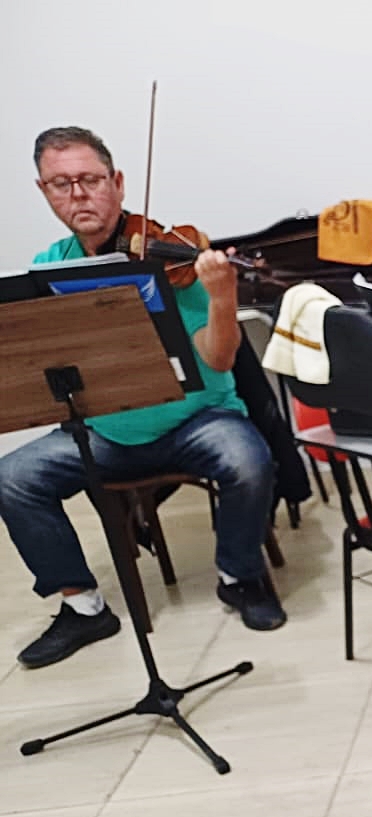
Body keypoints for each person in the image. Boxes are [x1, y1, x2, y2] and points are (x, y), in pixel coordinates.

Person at [0, 126, 285, 669]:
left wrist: (223, 296)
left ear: (118, 182)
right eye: (61, 184)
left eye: (90, 179)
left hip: (197, 420)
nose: (78, 194)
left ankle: (239, 576)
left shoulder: (173, 257)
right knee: (12, 477)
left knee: (249, 462)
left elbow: (218, 359)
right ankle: (83, 607)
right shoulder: (52, 266)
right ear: (43, 191)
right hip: (106, 430)